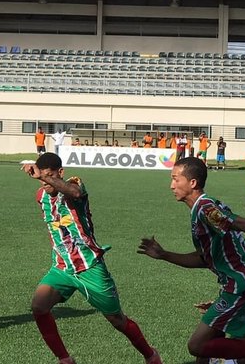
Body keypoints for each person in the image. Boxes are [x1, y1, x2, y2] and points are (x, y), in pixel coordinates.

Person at [138, 157, 245, 364]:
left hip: (242, 286)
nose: (171, 185)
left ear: (193, 183)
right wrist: (164, 255)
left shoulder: (205, 208)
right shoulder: (201, 209)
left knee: (197, 345)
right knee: (242, 359)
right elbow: (204, 258)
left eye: (175, 179)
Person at [22, 153, 162, 364]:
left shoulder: (74, 185)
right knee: (39, 307)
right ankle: (65, 359)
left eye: (49, 176)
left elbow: (75, 193)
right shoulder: (40, 196)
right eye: (42, 178)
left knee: (117, 320)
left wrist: (46, 177)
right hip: (62, 266)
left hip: (90, 267)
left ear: (61, 172)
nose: (44, 182)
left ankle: (150, 355)